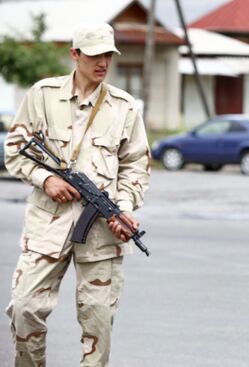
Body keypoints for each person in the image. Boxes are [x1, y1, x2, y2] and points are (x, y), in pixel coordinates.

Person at [4, 22, 150, 366]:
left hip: (101, 233)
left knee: (98, 323)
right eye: (95, 55)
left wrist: (124, 208)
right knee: (25, 309)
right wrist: (45, 178)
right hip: (47, 226)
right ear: (75, 54)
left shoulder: (124, 107)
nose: (103, 62)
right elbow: (14, 149)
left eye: (108, 56)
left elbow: (136, 166)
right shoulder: (42, 95)